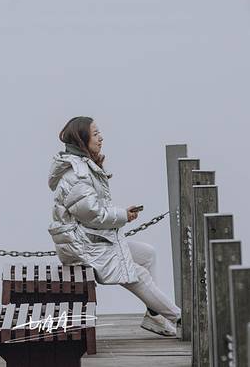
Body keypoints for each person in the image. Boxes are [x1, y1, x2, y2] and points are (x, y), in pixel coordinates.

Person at [47, 116, 182, 338]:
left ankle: (154, 314)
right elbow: (91, 214)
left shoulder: (83, 166)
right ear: (82, 139)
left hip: (90, 240)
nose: (101, 138)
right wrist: (122, 216)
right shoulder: (76, 174)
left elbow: (91, 211)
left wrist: (122, 214)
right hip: (81, 247)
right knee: (137, 273)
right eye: (95, 133)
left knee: (147, 254)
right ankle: (181, 317)